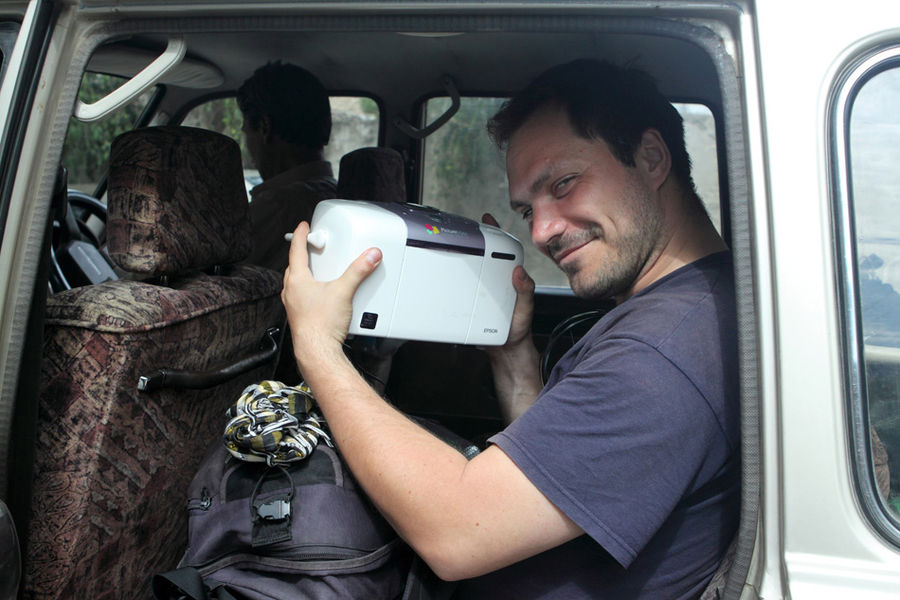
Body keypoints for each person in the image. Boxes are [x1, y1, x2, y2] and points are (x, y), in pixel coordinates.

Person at [280, 59, 740, 599]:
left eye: (564, 184)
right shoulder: (699, 303)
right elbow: (568, 476)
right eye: (527, 210)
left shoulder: (658, 355)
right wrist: (512, 348)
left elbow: (456, 533)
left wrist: (316, 346)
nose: (542, 231)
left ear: (651, 157)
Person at [237, 61, 336, 272]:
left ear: (265, 128)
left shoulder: (276, 207)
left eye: (246, 132)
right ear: (326, 128)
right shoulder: (340, 195)